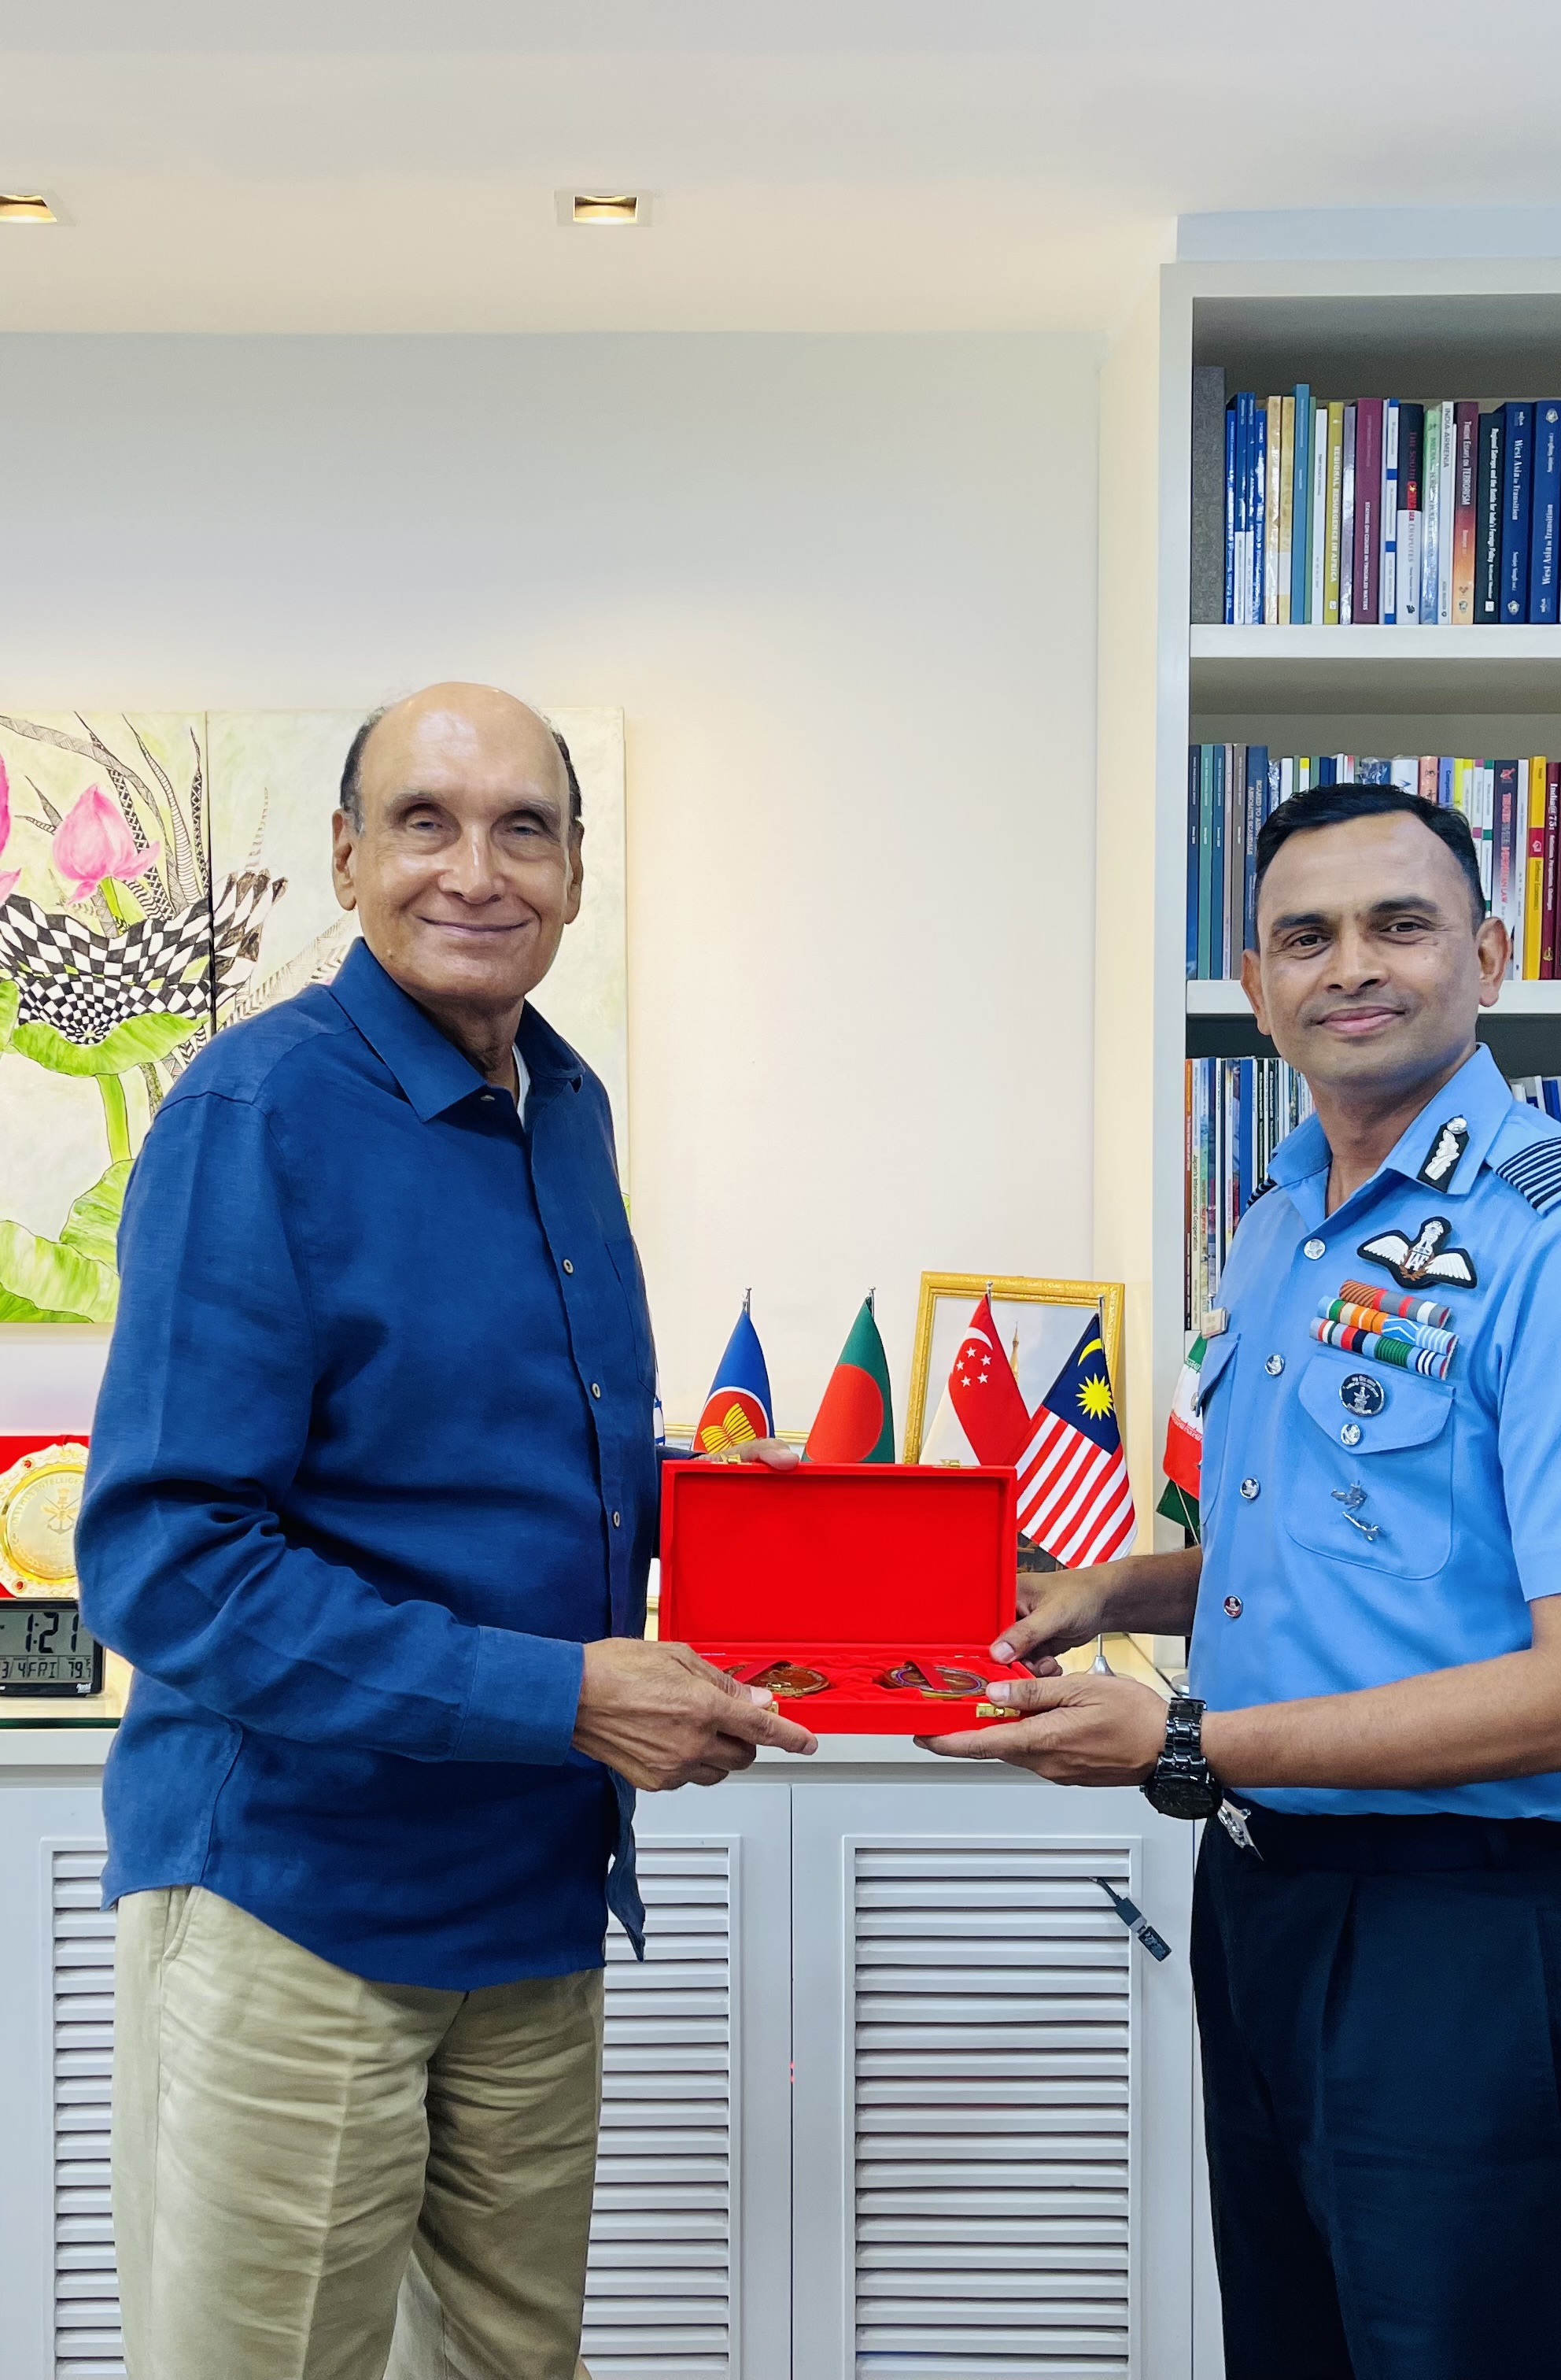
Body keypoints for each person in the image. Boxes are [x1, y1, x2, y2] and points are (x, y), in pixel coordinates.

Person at [922, 782, 1561, 2380]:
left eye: (1398, 924)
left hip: (1462, 1927)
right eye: (1305, 936)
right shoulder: (1288, 1220)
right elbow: (1353, 1542)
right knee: (1294, 2348)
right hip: (1266, 1896)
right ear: (1257, 979)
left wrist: (1185, 1742)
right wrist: (1117, 1592)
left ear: (1488, 955)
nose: (1351, 965)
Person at [77, 682, 817, 2380]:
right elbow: (170, 1563)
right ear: (347, 858)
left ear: (576, 872)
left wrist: (767, 1521)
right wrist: (566, 1698)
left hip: (531, 1903)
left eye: (523, 830)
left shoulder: (566, 1107)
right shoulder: (252, 1113)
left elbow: (499, 1456)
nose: (475, 871)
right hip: (299, 1903)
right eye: (425, 822)